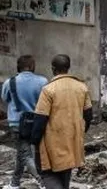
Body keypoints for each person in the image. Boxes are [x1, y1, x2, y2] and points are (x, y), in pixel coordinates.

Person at [31, 55, 93, 189]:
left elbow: (40, 119)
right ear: (68, 67)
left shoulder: (48, 89)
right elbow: (88, 115)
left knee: (47, 173)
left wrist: (35, 141)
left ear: (53, 69)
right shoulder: (82, 87)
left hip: (52, 140)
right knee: (66, 170)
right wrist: (81, 132)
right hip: (72, 139)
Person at [2, 55, 48, 189]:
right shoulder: (43, 81)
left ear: (18, 67)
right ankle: (14, 183)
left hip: (17, 123)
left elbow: (5, 98)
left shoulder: (9, 82)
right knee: (22, 153)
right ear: (33, 66)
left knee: (25, 154)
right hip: (37, 122)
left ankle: (42, 182)